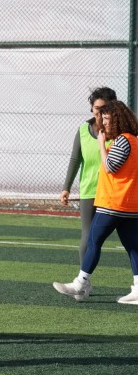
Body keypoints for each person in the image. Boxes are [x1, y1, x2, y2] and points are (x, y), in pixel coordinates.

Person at [54, 100, 138, 304]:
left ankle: (81, 284)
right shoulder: (135, 140)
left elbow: (110, 167)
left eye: (108, 120)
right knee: (134, 247)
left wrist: (101, 144)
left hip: (113, 204)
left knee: (93, 241)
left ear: (117, 120)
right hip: (130, 205)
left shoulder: (123, 141)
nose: (104, 125)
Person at [61, 87, 117, 266]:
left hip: (115, 193)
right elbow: (75, 159)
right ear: (92, 109)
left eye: (105, 108)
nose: (100, 112)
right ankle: (83, 280)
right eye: (96, 108)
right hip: (90, 191)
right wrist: (66, 187)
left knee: (129, 236)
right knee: (88, 235)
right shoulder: (83, 130)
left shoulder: (121, 131)